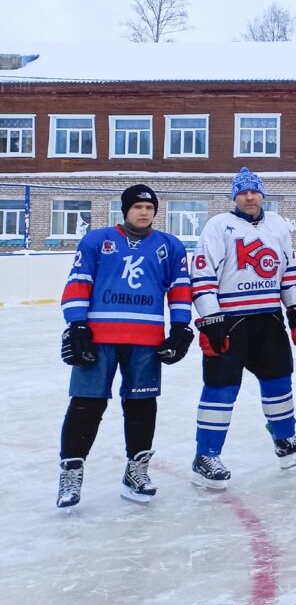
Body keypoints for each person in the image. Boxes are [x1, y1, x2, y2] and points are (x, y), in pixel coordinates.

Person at [56, 184, 193, 508]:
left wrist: (180, 329)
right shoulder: (96, 241)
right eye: (137, 207)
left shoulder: (170, 246)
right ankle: (70, 475)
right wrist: (76, 325)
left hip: (146, 341)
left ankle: (136, 471)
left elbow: (180, 288)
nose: (144, 212)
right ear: (125, 209)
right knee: (86, 406)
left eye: (149, 207)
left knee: (142, 407)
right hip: (98, 338)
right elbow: (79, 281)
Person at [189, 167, 296, 489]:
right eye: (242, 191)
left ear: (262, 194)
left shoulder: (277, 225)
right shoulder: (218, 226)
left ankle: (285, 440)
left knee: (279, 380)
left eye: (254, 191)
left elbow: (288, 272)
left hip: (269, 318)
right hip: (230, 321)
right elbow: (202, 277)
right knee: (221, 387)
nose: (249, 196)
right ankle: (205, 455)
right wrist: (210, 320)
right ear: (234, 196)